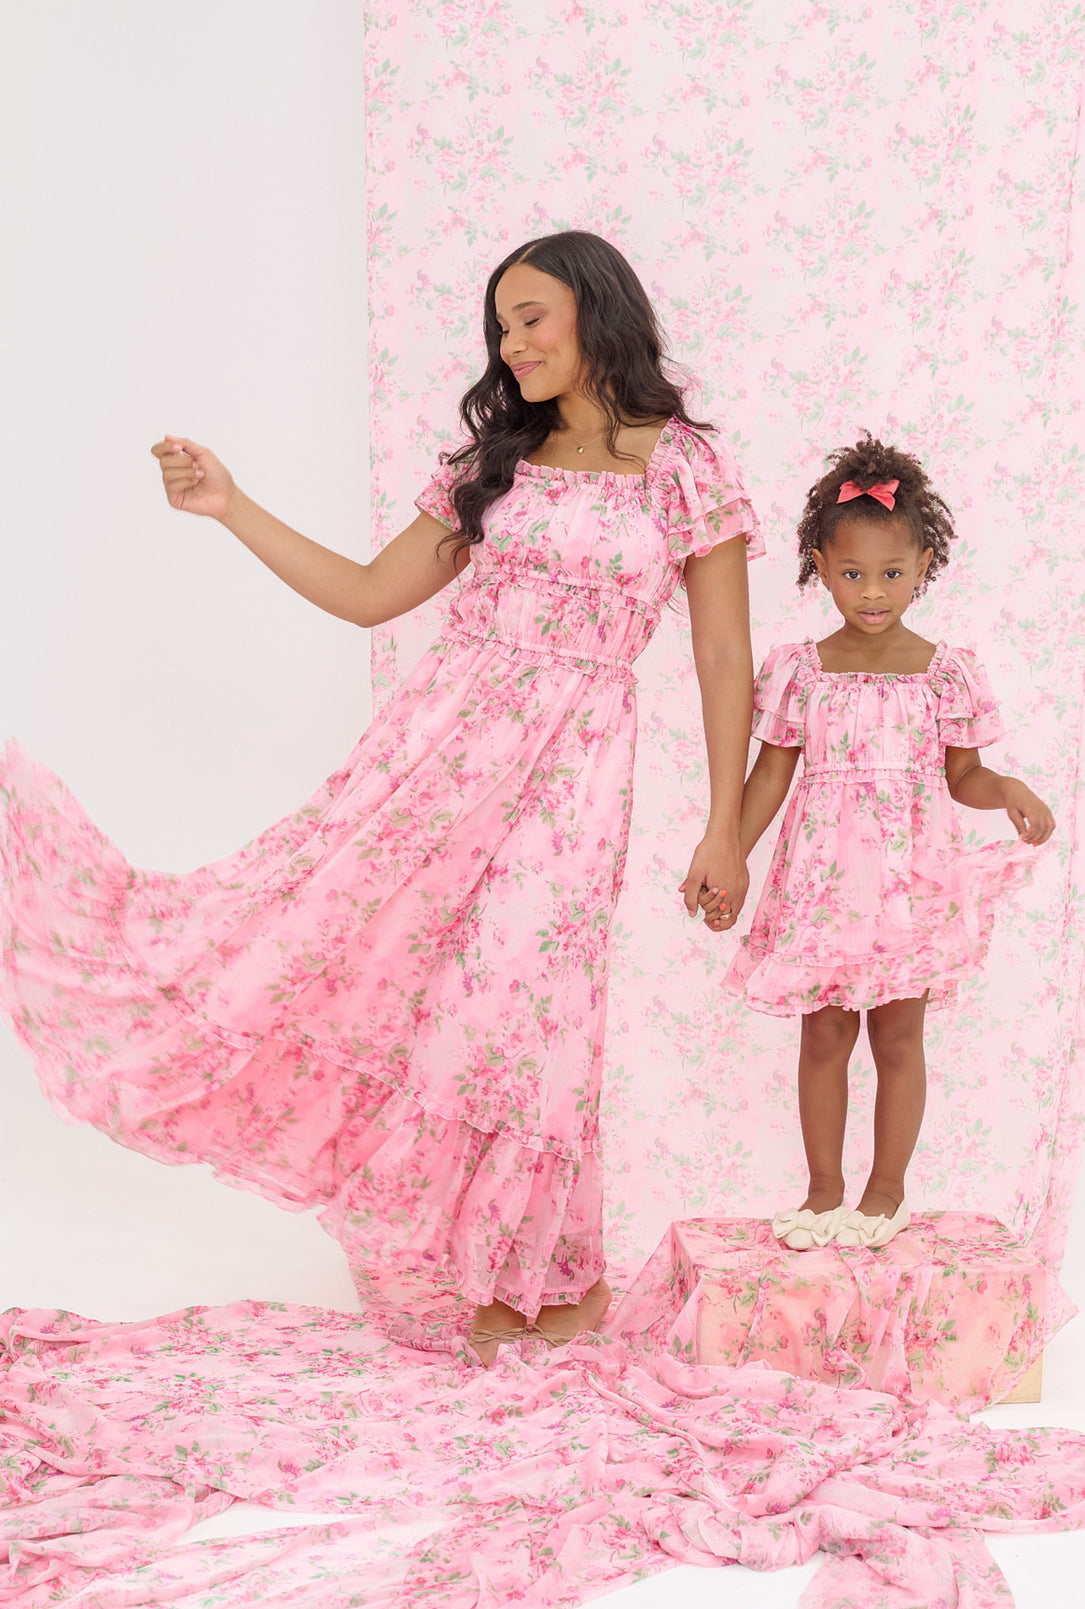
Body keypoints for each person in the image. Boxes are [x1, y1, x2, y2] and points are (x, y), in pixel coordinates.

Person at [0, 230, 762, 1357]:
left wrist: (725, 826)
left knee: (530, 1016)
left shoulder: (683, 465)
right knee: (325, 940)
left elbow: (722, 656)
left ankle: (550, 1278)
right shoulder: (494, 462)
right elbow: (367, 594)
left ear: (599, 311)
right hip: (436, 753)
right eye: (500, 326)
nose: (512, 343)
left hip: (573, 774)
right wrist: (232, 504)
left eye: (532, 317)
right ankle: (487, 1270)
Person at [702, 434, 1054, 1251]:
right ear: (819, 567)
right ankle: (822, 1190)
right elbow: (769, 777)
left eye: (891, 574)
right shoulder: (799, 669)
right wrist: (729, 858)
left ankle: (884, 1191)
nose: (871, 592)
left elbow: (963, 776)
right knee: (824, 1034)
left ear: (924, 566)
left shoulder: (945, 671)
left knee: (896, 1037)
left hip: (908, 886)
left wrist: (1005, 788)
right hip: (823, 882)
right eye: (852, 574)